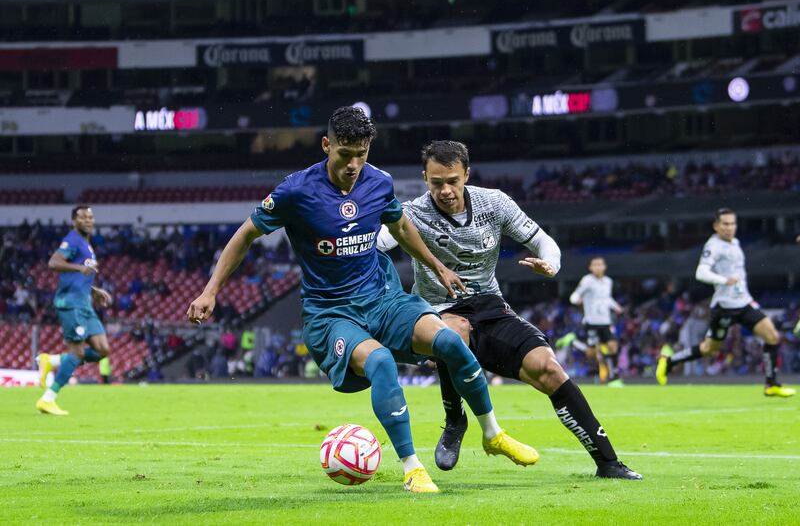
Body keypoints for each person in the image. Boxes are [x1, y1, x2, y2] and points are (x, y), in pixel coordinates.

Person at [186, 107, 538, 493]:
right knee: (381, 361)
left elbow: (401, 226)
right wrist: (211, 290)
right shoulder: (296, 190)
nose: (354, 164)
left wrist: (437, 266)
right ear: (327, 145)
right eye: (345, 154)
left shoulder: (379, 183)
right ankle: (413, 469)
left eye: (362, 153)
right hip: (331, 313)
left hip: (383, 299)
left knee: (450, 341)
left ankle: (492, 434)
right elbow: (245, 235)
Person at [377, 140, 641, 480]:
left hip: (490, 306)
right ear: (424, 178)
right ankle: (455, 419)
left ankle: (608, 462)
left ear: (466, 175)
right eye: (436, 182)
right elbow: (377, 242)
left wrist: (551, 264)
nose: (445, 190)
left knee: (548, 368)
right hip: (439, 308)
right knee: (451, 332)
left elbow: (543, 241)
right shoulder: (411, 213)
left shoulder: (495, 203)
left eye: (452, 181)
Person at [656, 208, 795, 397]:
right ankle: (669, 361)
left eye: (732, 223)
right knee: (708, 349)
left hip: (744, 304)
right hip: (724, 308)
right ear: (716, 226)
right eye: (725, 224)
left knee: (772, 336)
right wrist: (723, 280)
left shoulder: (735, 243)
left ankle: (771, 385)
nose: (730, 228)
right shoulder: (713, 246)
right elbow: (701, 272)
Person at [35, 206, 114, 415]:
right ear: (74, 221)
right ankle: (48, 398)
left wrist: (94, 290)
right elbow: (54, 262)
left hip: (84, 302)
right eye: (83, 217)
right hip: (70, 303)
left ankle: (50, 360)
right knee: (77, 352)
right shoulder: (72, 239)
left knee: (102, 350)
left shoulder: (86, 245)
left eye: (90, 217)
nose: (88, 220)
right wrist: (80, 268)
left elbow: (81, 274)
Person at [569, 257, 625, 387]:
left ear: (604, 267)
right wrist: (576, 300)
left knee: (613, 346)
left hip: (605, 321)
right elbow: (576, 294)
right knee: (592, 354)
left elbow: (607, 298)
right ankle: (574, 342)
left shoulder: (608, 281)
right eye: (595, 265)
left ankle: (613, 377)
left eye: (600, 265)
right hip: (591, 322)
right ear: (591, 268)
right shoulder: (587, 280)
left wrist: (617, 307)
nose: (598, 267)